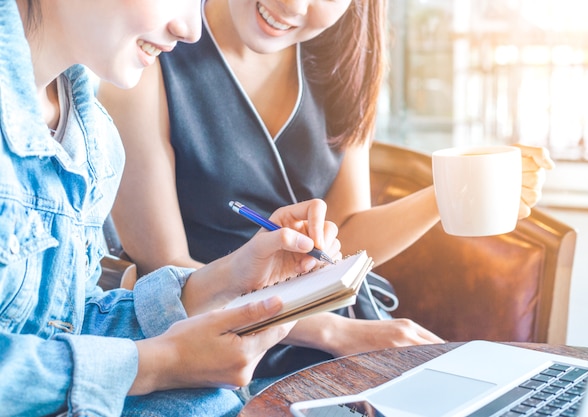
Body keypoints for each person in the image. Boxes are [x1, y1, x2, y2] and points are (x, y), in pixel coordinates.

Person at [97, 0, 553, 378]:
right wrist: (331, 333)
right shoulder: (149, 48)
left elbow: (343, 236)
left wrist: (448, 191)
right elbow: (168, 273)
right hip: (218, 347)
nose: (293, 6)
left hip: (346, 327)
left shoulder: (345, 60)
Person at [0, 0, 342, 416]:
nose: (191, 30)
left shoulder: (94, 140)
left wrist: (226, 279)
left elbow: (62, 323)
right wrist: (160, 365)